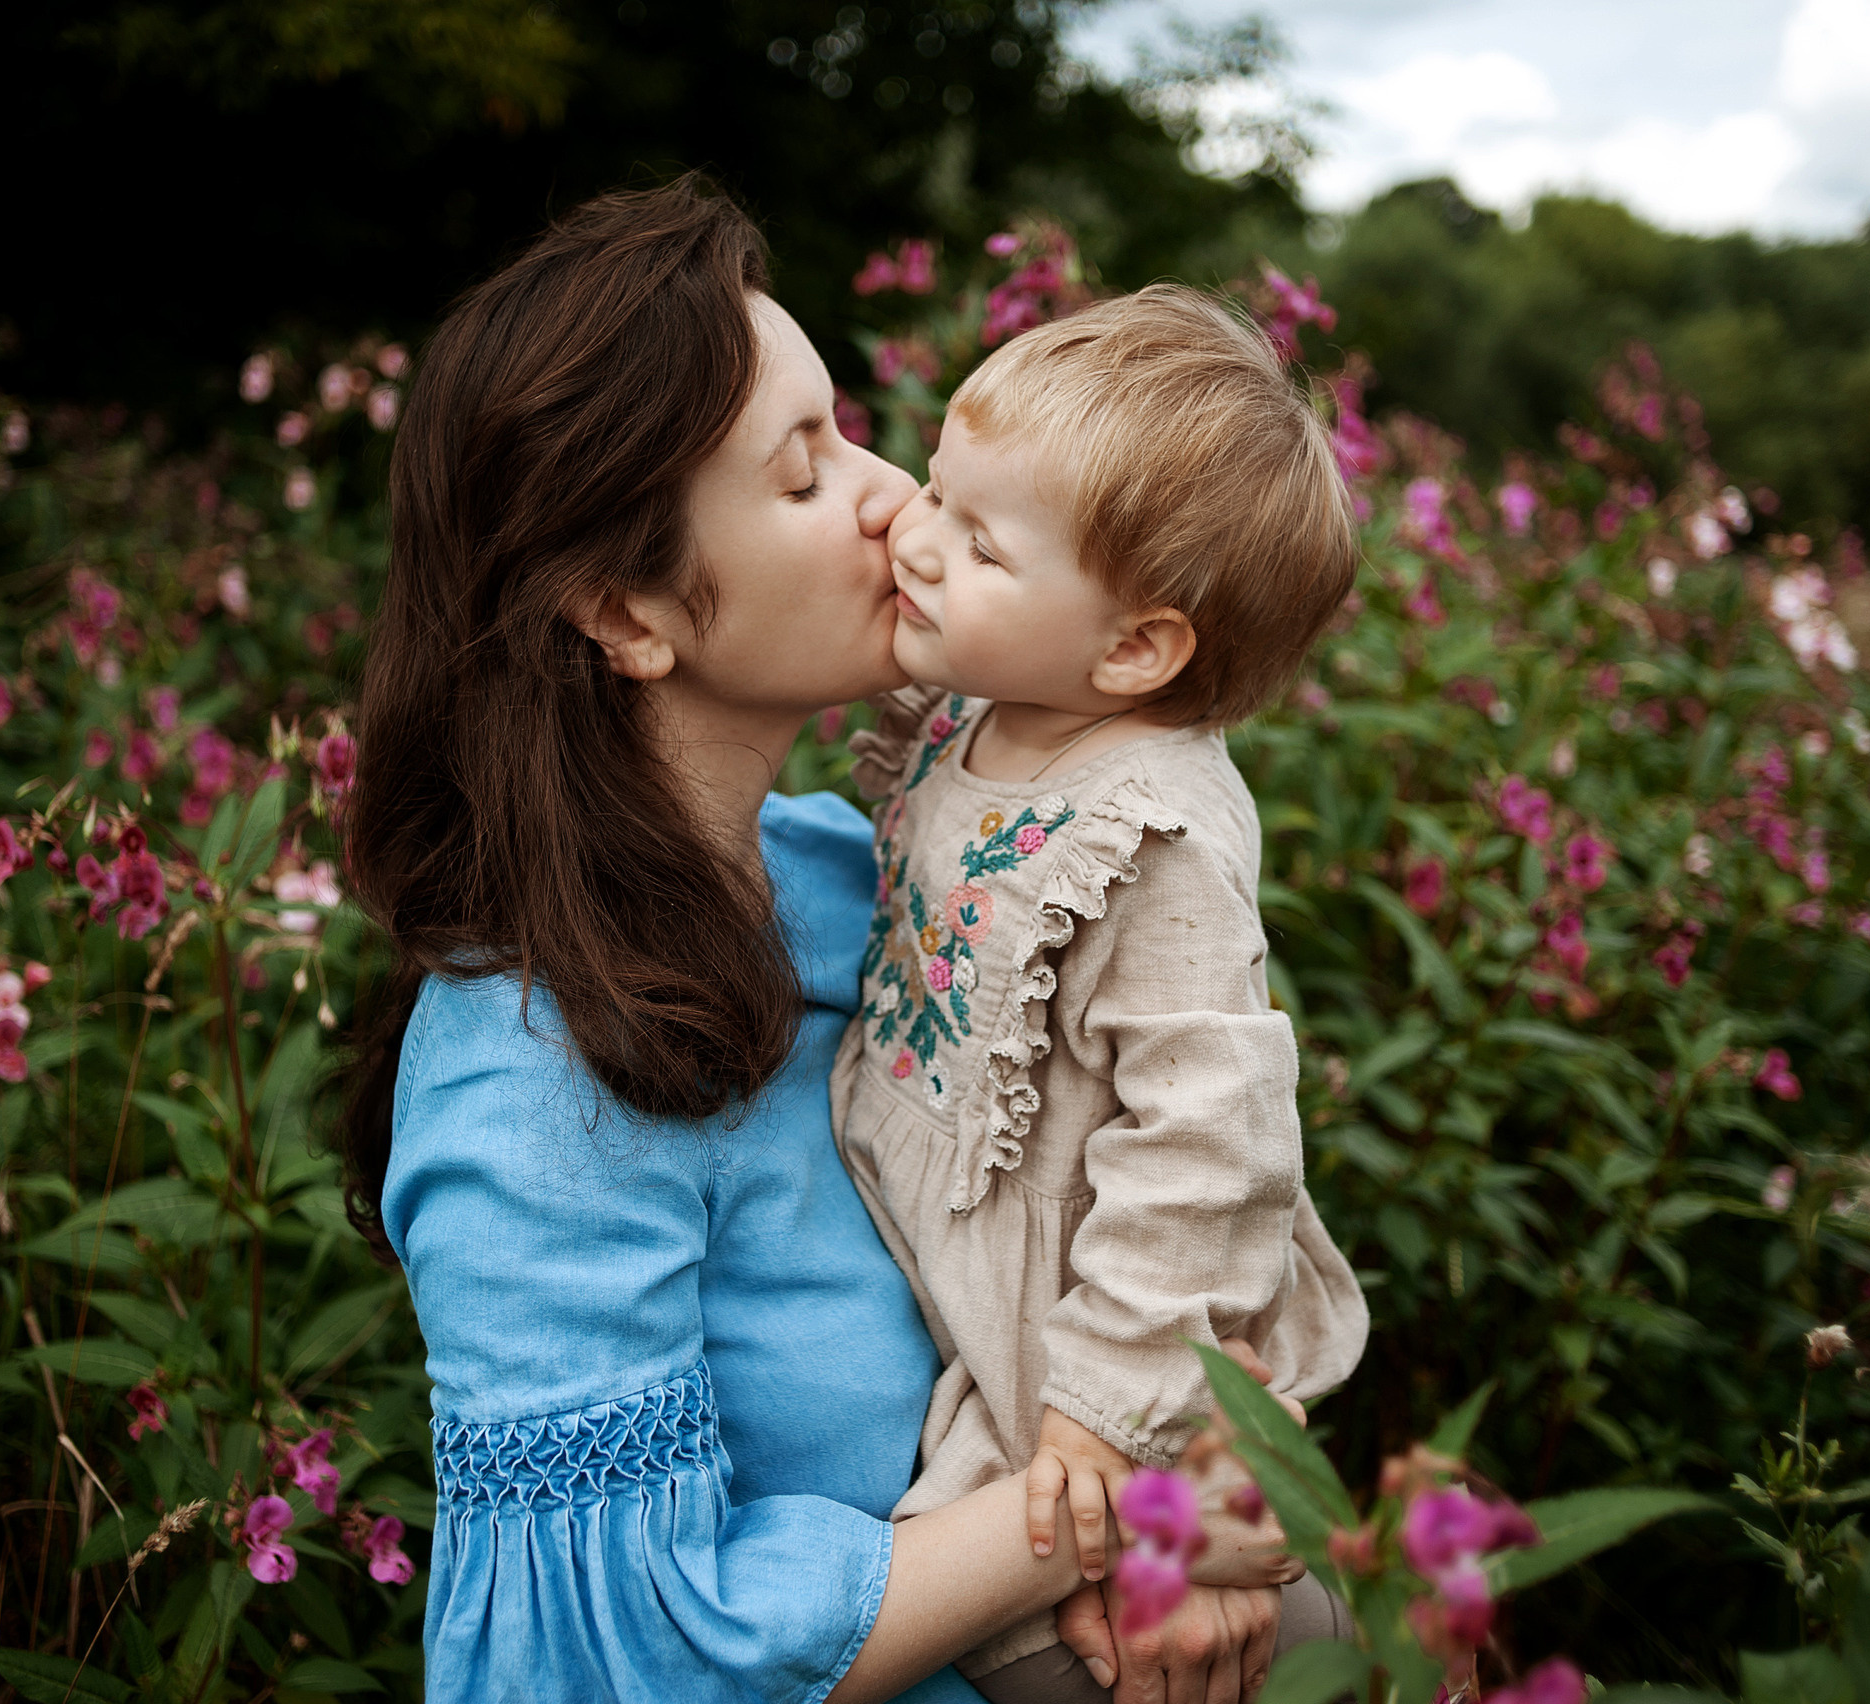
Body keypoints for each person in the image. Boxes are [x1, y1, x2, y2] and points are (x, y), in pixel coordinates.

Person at [336, 181, 1284, 1704]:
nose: (893, 495)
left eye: (849, 427)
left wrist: (1230, 1497)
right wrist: (1117, 1518)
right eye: (802, 474)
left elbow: (1159, 1164)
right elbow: (614, 1658)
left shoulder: (860, 865)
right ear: (626, 608)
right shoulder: (527, 1088)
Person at [832, 285, 1371, 1703]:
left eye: (979, 540)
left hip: (1087, 1341)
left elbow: (1211, 1144)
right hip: (979, 1286)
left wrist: (1103, 1418)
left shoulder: (1157, 828)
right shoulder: (976, 711)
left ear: (1134, 649)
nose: (916, 536)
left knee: (1081, 1653)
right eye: (935, 491)